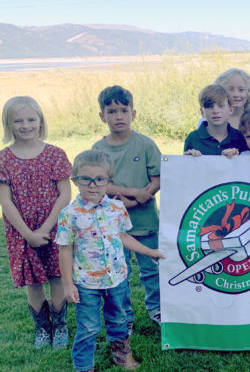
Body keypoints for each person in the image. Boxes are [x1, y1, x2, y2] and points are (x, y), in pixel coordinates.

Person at [57, 150, 164, 371]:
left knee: (119, 319)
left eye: (99, 179)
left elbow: (123, 236)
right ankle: (84, 366)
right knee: (89, 327)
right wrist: (68, 284)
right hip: (86, 284)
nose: (93, 185)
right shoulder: (69, 214)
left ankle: (122, 356)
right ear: (75, 180)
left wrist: (150, 251)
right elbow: (64, 249)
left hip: (117, 279)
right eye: (86, 179)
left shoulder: (117, 208)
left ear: (109, 181)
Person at [0, 96, 72, 349]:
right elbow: (5, 202)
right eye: (18, 121)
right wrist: (28, 234)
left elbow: (65, 195)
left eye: (31, 119)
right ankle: (42, 328)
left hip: (54, 226)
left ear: (40, 121)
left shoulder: (55, 154)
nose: (25, 125)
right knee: (33, 279)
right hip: (21, 231)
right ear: (8, 124)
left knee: (57, 275)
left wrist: (45, 229)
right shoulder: (1, 159)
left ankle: (60, 326)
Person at [92, 85, 162, 329]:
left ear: (134, 114)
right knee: (119, 272)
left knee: (151, 268)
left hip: (145, 221)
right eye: (111, 112)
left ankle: (157, 308)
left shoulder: (145, 145)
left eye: (124, 110)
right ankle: (123, 317)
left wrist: (139, 199)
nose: (118, 116)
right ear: (102, 116)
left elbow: (157, 179)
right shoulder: (98, 150)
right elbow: (101, 183)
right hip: (112, 225)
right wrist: (133, 195)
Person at [184, 84, 249, 156]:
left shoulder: (241, 138)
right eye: (210, 106)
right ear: (202, 112)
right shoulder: (193, 138)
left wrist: (234, 158)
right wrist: (189, 158)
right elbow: (185, 162)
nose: (215, 111)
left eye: (221, 106)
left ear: (231, 109)